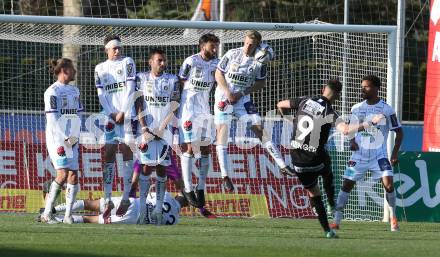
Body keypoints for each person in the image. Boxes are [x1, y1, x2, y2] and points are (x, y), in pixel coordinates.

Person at [277, 79, 383, 238]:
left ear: (323, 89)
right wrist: (370, 123)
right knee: (326, 168)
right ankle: (332, 202)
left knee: (314, 193)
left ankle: (327, 230)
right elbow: (346, 130)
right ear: (338, 96)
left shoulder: (305, 100)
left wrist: (289, 120)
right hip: (315, 160)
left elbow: (280, 104)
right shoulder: (330, 112)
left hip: (297, 160)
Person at [215, 30, 294, 192]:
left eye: (252, 44)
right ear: (244, 40)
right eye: (247, 43)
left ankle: (282, 165)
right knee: (222, 134)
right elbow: (218, 74)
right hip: (224, 99)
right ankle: (225, 177)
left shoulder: (260, 62)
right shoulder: (232, 54)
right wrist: (228, 92)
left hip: (243, 100)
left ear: (257, 45)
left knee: (260, 130)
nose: (248, 46)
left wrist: (241, 93)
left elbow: (260, 84)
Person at [330, 75, 403, 232]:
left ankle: (393, 218)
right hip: (358, 156)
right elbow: (350, 129)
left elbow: (399, 132)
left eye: (367, 86)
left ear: (376, 88)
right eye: (362, 86)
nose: (362, 89)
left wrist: (395, 154)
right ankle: (336, 220)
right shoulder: (357, 108)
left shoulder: (387, 109)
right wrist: (351, 141)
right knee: (346, 185)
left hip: (380, 155)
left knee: (389, 185)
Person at [135, 48, 180, 224]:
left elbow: (174, 104)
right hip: (146, 130)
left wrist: (162, 127)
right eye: (159, 60)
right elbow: (138, 103)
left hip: (164, 131)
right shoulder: (141, 78)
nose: (163, 63)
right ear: (150, 61)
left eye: (164, 61)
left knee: (162, 167)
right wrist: (144, 127)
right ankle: (143, 211)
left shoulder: (172, 80)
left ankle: (158, 210)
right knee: (145, 167)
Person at [94, 35, 137, 218]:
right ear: (107, 50)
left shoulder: (127, 62)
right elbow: (101, 94)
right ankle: (107, 198)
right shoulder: (100, 68)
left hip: (127, 115)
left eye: (119, 47)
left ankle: (126, 196)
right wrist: (112, 113)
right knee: (109, 153)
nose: (118, 51)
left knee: (127, 151)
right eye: (114, 48)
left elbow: (130, 88)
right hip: (110, 116)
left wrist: (122, 112)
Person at [177, 33, 219, 217]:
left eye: (216, 45)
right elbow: (179, 82)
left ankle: (200, 188)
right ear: (203, 46)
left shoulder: (217, 63)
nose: (215, 49)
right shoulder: (191, 61)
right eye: (212, 46)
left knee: (206, 149)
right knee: (189, 148)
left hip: (204, 110)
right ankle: (187, 187)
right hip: (188, 109)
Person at [41, 58, 83, 224]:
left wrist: (75, 135)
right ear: (64, 70)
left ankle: (67, 216)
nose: (75, 71)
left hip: (73, 138)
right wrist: (65, 136)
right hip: (57, 138)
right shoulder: (52, 92)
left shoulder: (75, 91)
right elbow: (52, 118)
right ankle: (47, 213)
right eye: (72, 68)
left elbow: (79, 114)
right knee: (63, 173)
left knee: (73, 175)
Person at [38, 192, 185, 225]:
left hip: (133, 204)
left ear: (179, 194)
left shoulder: (166, 194)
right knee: (90, 219)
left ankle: (52, 210)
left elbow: (146, 195)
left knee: (92, 204)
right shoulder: (175, 221)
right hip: (135, 220)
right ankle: (52, 219)